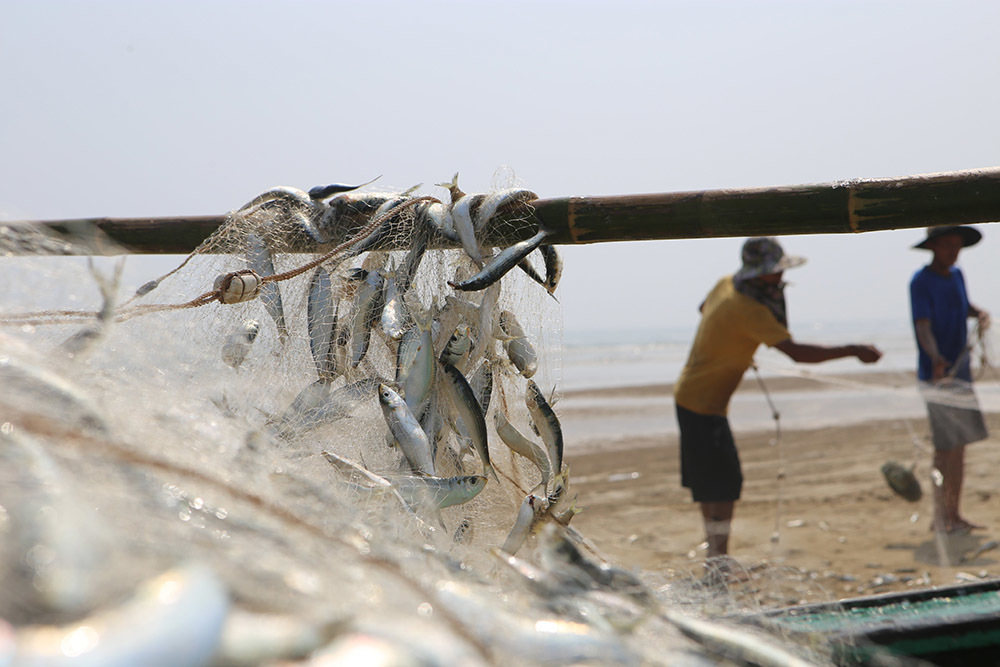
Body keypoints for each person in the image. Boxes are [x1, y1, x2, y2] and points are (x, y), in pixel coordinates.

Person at [673, 236, 882, 573]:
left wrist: (732, 346)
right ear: (757, 274)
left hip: (692, 395)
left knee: (711, 481)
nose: (779, 279)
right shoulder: (749, 310)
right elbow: (797, 352)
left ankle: (716, 558)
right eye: (773, 273)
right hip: (702, 403)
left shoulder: (726, 283)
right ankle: (718, 561)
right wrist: (854, 350)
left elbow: (703, 309)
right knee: (723, 482)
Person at [909, 225, 990, 535]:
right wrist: (935, 358)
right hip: (938, 377)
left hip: (963, 374)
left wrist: (979, 312)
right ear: (933, 247)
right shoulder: (921, 281)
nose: (953, 251)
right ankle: (940, 517)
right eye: (947, 245)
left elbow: (963, 306)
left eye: (957, 245)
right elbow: (923, 326)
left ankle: (955, 514)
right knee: (945, 448)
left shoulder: (956, 275)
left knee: (960, 448)